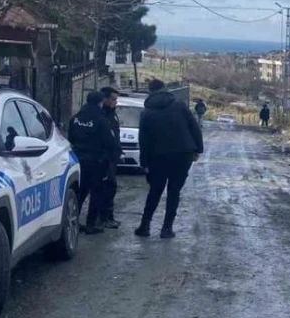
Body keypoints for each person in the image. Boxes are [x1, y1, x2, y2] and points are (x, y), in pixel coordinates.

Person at [135, 80, 204, 239]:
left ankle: (145, 226)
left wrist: (144, 162)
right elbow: (194, 127)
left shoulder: (146, 112)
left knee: (155, 190)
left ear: (150, 92)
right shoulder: (179, 106)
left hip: (157, 157)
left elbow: (143, 140)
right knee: (174, 191)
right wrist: (198, 149)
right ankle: (167, 228)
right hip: (182, 155)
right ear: (164, 89)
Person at [68, 91, 120, 234]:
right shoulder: (101, 119)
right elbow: (110, 141)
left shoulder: (77, 117)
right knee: (97, 193)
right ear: (100, 102)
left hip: (79, 160)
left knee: (81, 191)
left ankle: (72, 221)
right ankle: (91, 224)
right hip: (96, 161)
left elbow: (71, 136)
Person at [98, 87, 123, 229]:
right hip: (104, 158)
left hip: (112, 157)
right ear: (105, 99)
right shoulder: (102, 116)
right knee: (106, 188)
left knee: (111, 187)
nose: (115, 102)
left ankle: (108, 217)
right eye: (113, 99)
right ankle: (103, 218)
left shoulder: (112, 114)